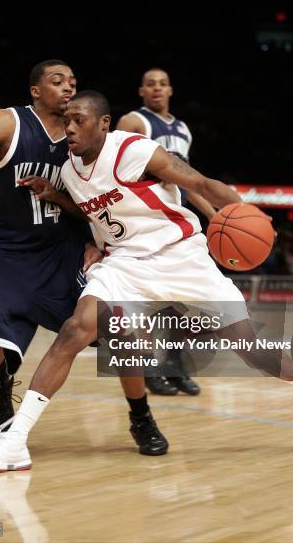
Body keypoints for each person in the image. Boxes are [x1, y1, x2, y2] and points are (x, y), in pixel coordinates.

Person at [0, 90, 293, 473]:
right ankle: (14, 443)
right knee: (74, 330)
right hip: (125, 263)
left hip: (180, 255)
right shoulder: (67, 171)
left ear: (104, 123)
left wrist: (250, 213)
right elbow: (90, 213)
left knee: (249, 348)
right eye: (66, 122)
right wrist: (57, 197)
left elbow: (201, 184)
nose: (70, 129)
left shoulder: (132, 150)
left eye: (79, 120)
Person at [0, 66, 167, 457]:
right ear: (35, 89)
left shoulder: (82, 136)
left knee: (122, 332)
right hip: (5, 250)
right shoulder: (5, 122)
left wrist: (100, 241)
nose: (68, 87)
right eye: (58, 81)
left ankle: (141, 415)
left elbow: (103, 197)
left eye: (73, 83)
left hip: (62, 252)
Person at [117, 68, 215, 396]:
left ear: (170, 90)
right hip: (145, 220)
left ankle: (173, 367)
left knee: (181, 303)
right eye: (150, 84)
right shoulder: (134, 122)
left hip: (179, 220)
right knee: (148, 303)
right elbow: (111, 159)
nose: (156, 89)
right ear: (141, 90)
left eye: (162, 84)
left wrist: (215, 217)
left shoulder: (184, 129)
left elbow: (188, 179)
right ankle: (147, 370)